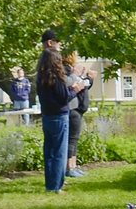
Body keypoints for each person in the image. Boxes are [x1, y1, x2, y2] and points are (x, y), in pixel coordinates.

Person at [36, 50, 79, 193]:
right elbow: (63, 98)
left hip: (47, 116)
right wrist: (75, 90)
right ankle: (57, 186)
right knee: (60, 153)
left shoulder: (41, 77)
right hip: (59, 117)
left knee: (49, 153)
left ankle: (50, 185)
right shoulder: (57, 77)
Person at [62, 51, 95, 179]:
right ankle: (69, 167)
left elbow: (82, 86)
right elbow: (70, 84)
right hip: (73, 108)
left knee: (75, 139)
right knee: (72, 139)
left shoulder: (73, 72)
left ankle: (74, 165)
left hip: (78, 108)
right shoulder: (67, 71)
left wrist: (89, 79)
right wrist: (79, 75)